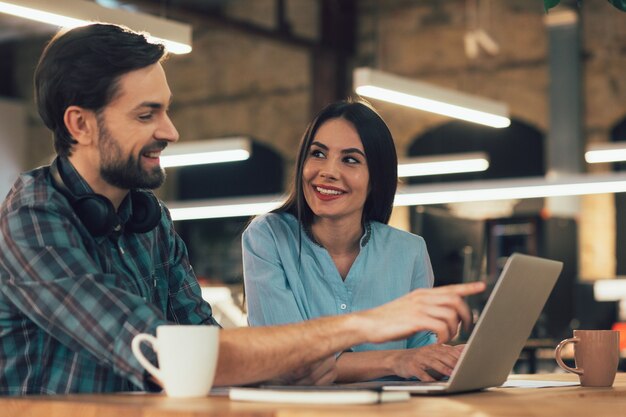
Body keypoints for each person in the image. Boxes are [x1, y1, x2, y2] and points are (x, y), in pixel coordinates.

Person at [0, 23, 484, 395]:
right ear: (80, 124)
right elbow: (167, 354)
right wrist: (365, 326)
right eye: (147, 114)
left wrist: (304, 362)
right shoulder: (35, 216)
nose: (171, 131)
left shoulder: (148, 220)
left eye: (166, 110)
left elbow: (214, 349)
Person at [243, 99, 466, 383]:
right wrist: (396, 360)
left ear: (376, 178)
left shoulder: (409, 251)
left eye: (350, 159)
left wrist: (450, 359)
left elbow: (419, 352)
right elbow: (286, 357)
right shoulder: (268, 237)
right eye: (318, 154)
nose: (328, 171)